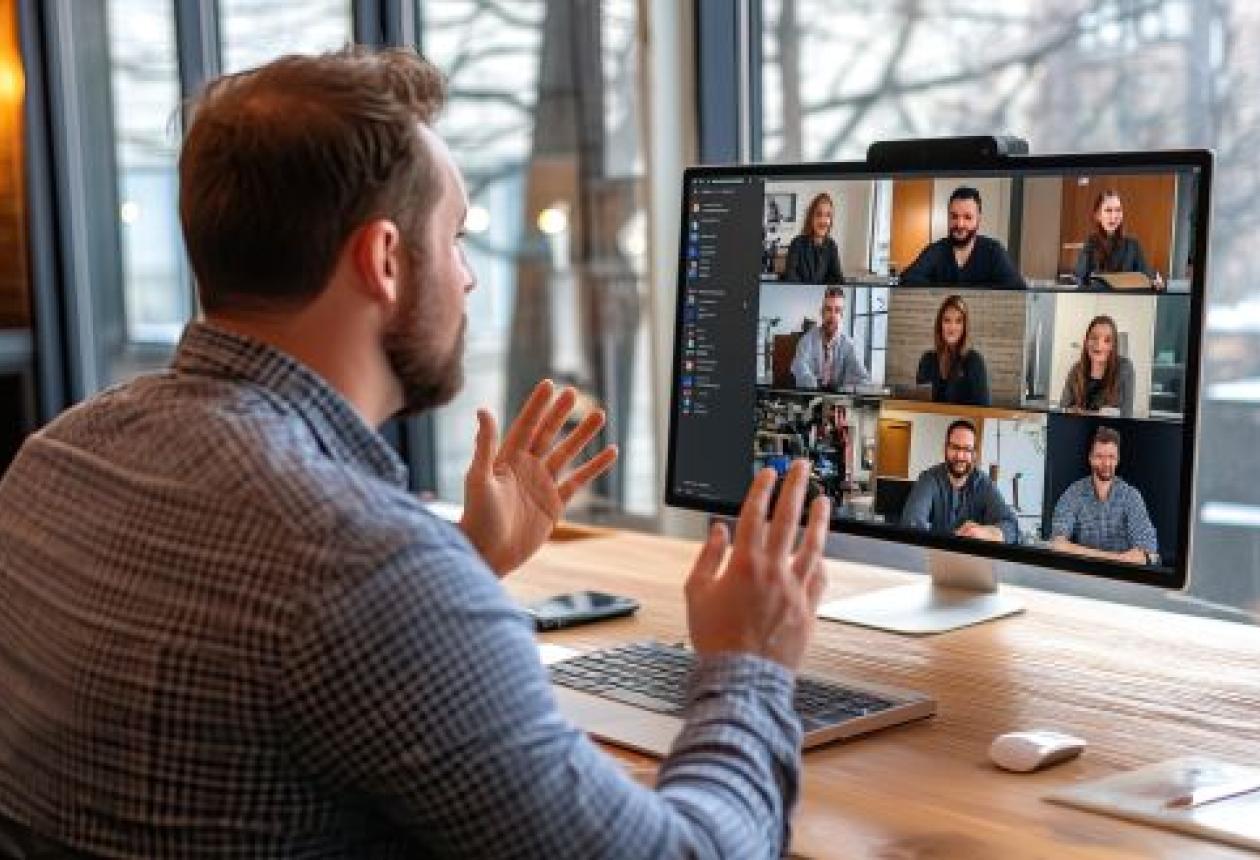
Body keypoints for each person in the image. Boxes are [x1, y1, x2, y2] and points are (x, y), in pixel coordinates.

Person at [0, 48, 834, 857]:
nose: (468, 278)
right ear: (386, 259)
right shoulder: (358, 561)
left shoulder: (56, 459)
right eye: (458, 236)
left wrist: (461, 564)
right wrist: (748, 663)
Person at [1050, 426, 1159, 565]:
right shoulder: (1073, 493)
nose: (1106, 463)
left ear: (1118, 459)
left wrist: (1084, 553)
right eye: (1100, 456)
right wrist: (1117, 558)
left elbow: (1148, 553)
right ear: (1090, 458)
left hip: (1122, 577)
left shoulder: (1131, 496)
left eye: (1111, 457)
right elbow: (1058, 545)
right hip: (1084, 573)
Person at [900, 419, 1019, 543]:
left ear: (974, 454)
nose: (960, 456)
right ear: (945, 449)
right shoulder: (929, 478)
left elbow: (1012, 528)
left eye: (967, 449)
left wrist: (987, 532)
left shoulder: (985, 484)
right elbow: (910, 523)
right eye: (955, 447)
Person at [900, 187, 1026, 288]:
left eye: (967, 217)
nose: (960, 224)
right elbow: (907, 279)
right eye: (954, 216)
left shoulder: (994, 251)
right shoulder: (936, 250)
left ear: (978, 219)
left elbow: (1017, 287)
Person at [1073, 189, 1164, 289]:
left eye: (1118, 210)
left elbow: (1146, 274)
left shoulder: (1133, 244)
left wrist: (1155, 280)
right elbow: (1079, 279)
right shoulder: (1091, 243)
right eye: (1108, 210)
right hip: (1098, 301)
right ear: (1098, 215)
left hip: (1126, 301)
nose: (1114, 216)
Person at [915, 294, 991, 406]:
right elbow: (918, 405)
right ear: (940, 325)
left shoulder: (974, 361)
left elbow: (983, 410)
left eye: (958, 321)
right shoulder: (927, 360)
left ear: (965, 327)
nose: (952, 327)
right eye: (947, 320)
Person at [790, 287, 870, 390]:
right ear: (821, 312)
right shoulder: (806, 340)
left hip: (838, 398)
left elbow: (863, 379)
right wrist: (815, 389)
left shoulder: (849, 345)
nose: (832, 315)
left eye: (837, 310)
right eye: (828, 309)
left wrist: (843, 391)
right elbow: (800, 368)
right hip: (811, 396)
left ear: (842, 315)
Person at [1060, 314, 1135, 417]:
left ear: (1113, 345)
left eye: (1107, 340)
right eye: (1094, 338)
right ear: (1086, 341)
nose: (1099, 345)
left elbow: (1126, 416)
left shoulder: (1124, 368)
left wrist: (1082, 413)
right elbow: (1062, 410)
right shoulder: (1076, 369)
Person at [783, 192, 844, 284]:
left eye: (828, 215)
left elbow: (838, 279)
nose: (823, 220)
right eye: (819, 214)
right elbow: (790, 277)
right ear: (811, 218)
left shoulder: (832, 246)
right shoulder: (797, 243)